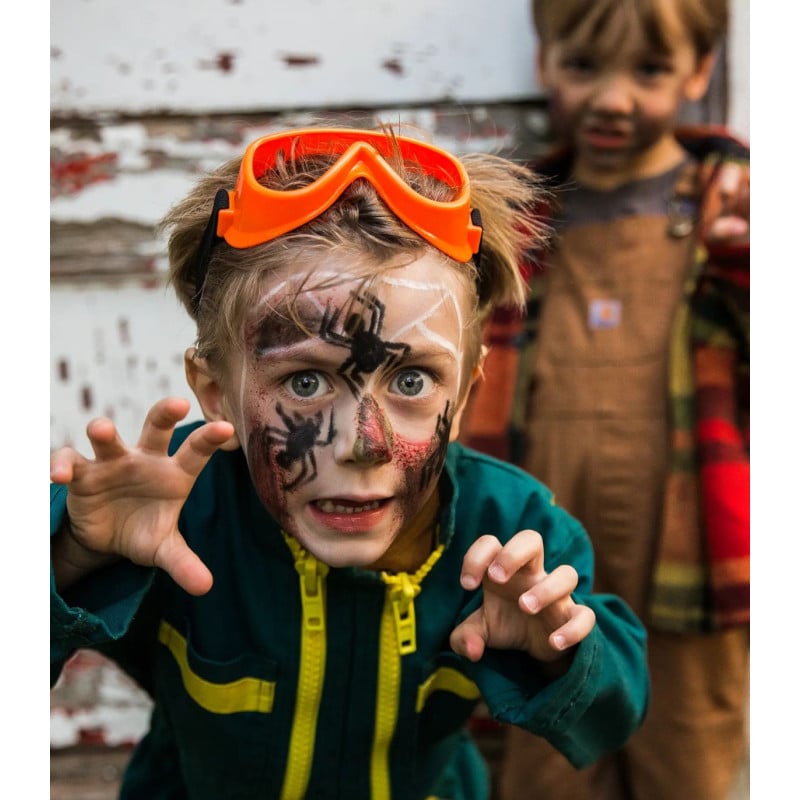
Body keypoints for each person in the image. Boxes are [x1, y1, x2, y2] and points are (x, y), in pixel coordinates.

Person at [49, 126, 650, 800]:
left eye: (413, 381)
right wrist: (72, 553)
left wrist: (558, 650)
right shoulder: (172, 519)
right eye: (305, 383)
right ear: (215, 388)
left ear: (471, 388)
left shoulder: (512, 535)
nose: (363, 442)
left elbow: (613, 715)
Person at [459, 1, 750, 799]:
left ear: (699, 72)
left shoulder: (741, 208)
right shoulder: (518, 225)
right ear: (545, 61)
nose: (614, 99)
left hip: (692, 551)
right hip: (548, 554)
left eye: (649, 71)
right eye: (585, 67)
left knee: (685, 760)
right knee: (546, 760)